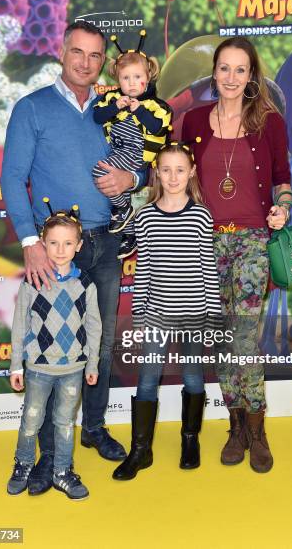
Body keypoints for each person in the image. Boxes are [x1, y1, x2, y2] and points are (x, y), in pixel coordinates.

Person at [1, 21, 148, 495]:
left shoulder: (116, 111)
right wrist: (30, 243)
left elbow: (144, 163)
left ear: (104, 61)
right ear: (61, 52)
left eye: (95, 56)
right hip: (56, 252)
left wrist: (132, 182)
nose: (86, 63)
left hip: (105, 242)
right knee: (48, 350)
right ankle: (46, 457)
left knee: (98, 343)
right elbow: (11, 179)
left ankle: (94, 428)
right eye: (77, 53)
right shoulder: (32, 108)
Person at [182, 36, 292, 473]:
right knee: (222, 339)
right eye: (224, 68)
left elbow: (282, 178)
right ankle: (235, 425)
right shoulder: (191, 121)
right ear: (215, 71)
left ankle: (257, 427)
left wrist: (281, 206)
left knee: (242, 337)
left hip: (250, 242)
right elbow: (180, 181)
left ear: (252, 75)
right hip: (204, 242)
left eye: (240, 69)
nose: (230, 77)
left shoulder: (270, 122)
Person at [112, 143, 222, 481]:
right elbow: (143, 268)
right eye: (166, 170)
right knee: (147, 379)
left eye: (179, 170)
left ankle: (190, 439)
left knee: (192, 376)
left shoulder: (200, 215)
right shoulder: (145, 216)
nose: (173, 177)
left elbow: (207, 268)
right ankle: (140, 450)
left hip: (194, 313)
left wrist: (213, 316)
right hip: (157, 313)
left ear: (190, 173)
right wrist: (141, 316)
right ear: (156, 173)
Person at [7, 209, 101, 501]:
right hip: (38, 368)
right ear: (43, 244)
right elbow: (20, 325)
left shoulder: (86, 285)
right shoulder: (32, 283)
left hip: (73, 368)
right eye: (53, 243)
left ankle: (62, 471)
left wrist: (92, 363)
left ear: (79, 246)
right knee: (32, 419)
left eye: (68, 243)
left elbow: (94, 327)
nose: (61, 250)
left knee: (64, 422)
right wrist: (16, 367)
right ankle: (23, 464)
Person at [93, 30, 172, 259]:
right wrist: (115, 107)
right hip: (119, 152)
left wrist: (141, 110)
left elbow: (158, 128)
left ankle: (124, 209)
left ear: (147, 77)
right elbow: (98, 118)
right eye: (126, 78)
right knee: (112, 184)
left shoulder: (157, 106)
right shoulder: (112, 100)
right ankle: (130, 234)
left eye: (137, 77)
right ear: (118, 80)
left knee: (101, 171)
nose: (132, 83)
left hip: (138, 155)